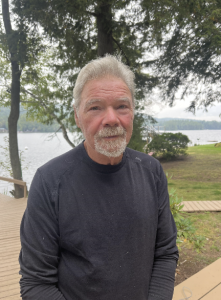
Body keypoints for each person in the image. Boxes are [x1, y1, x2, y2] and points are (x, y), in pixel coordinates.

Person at [19, 55, 178, 300]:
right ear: (77, 116)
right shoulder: (50, 182)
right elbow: (36, 282)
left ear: (132, 112)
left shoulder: (151, 172)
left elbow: (165, 252)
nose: (112, 119)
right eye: (95, 107)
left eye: (122, 106)